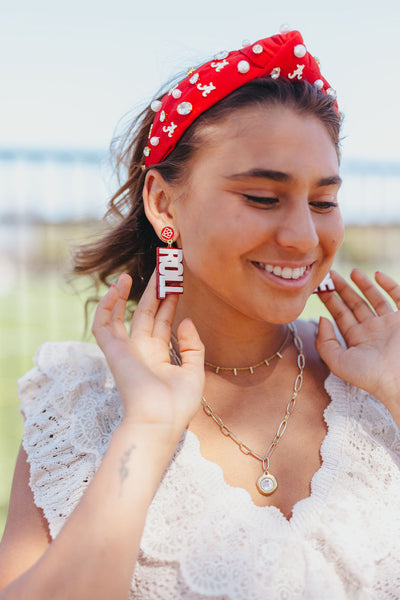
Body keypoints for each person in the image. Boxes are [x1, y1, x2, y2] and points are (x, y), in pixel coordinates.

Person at [0, 28, 399, 600]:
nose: (304, 236)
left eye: (323, 201)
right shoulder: (74, 407)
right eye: (263, 198)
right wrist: (148, 430)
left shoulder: (379, 380)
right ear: (164, 202)